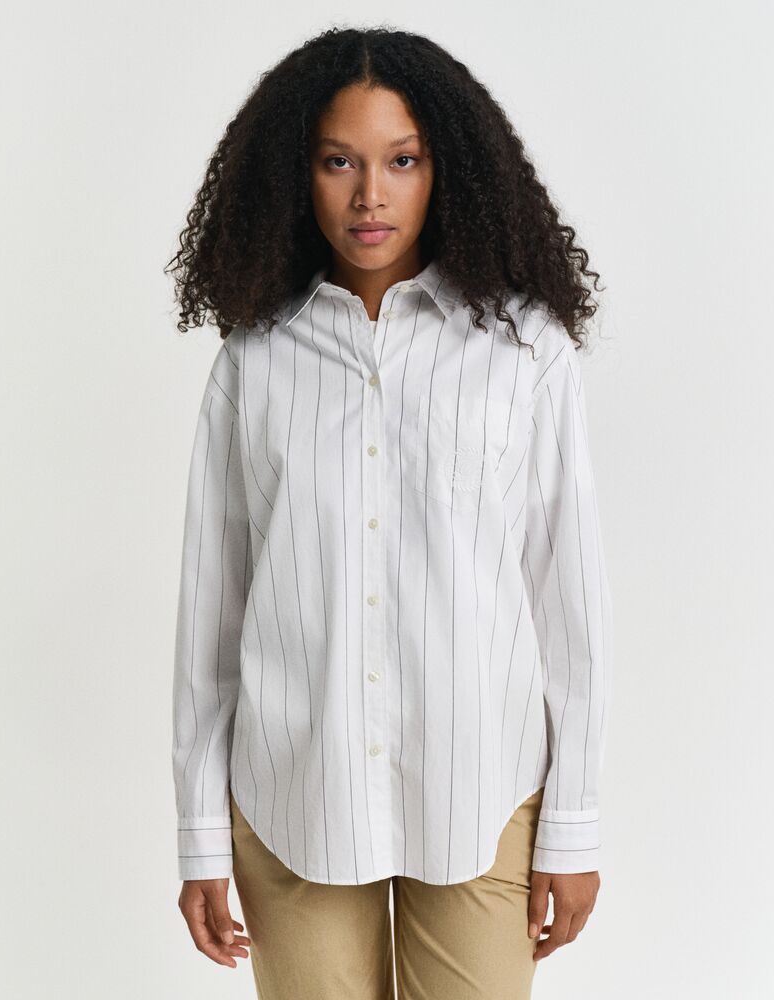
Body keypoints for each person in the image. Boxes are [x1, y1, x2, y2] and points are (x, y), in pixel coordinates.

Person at [165, 24, 613, 999]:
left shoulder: (525, 353)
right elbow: (213, 615)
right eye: (340, 161)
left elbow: (567, 604)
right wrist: (200, 833)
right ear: (299, 174)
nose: (370, 194)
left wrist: (573, 822)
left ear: (445, 170)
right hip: (294, 793)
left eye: (401, 160)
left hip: (483, 790)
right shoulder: (254, 361)